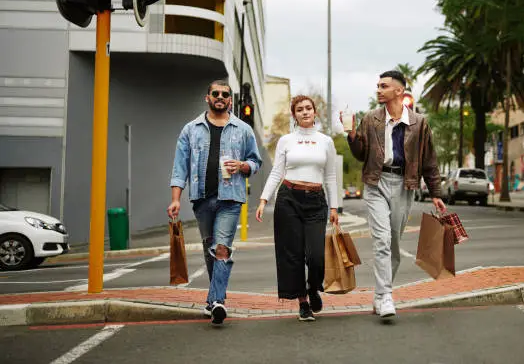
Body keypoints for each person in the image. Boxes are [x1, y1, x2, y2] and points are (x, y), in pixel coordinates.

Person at [344, 70, 446, 319]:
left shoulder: (419, 122)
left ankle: (379, 297)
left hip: (404, 183)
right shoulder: (371, 119)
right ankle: (387, 295)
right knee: (381, 241)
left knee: (394, 243)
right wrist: (351, 135)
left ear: (399, 91)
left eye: (384, 86)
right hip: (376, 182)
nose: (378, 89)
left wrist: (435, 192)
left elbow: (428, 159)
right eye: (377, 85)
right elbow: (361, 154)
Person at [167, 80, 262, 326]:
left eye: (225, 94)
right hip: (201, 199)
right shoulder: (191, 129)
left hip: (230, 199)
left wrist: (243, 166)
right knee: (211, 249)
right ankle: (213, 300)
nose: (220, 97)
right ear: (207, 97)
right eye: (215, 93)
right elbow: (180, 168)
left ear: (230, 100)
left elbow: (255, 161)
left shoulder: (243, 129)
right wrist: (175, 199)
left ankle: (218, 301)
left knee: (221, 248)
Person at [255, 95, 339, 322]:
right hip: (288, 199)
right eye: (299, 109)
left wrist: (334, 207)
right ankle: (303, 302)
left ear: (315, 112)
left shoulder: (325, 141)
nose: (304, 112)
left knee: (315, 256)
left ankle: (313, 289)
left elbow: (331, 175)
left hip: (316, 201)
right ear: (294, 114)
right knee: (292, 254)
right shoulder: (286, 141)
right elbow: (276, 172)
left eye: (308, 108)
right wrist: (263, 199)